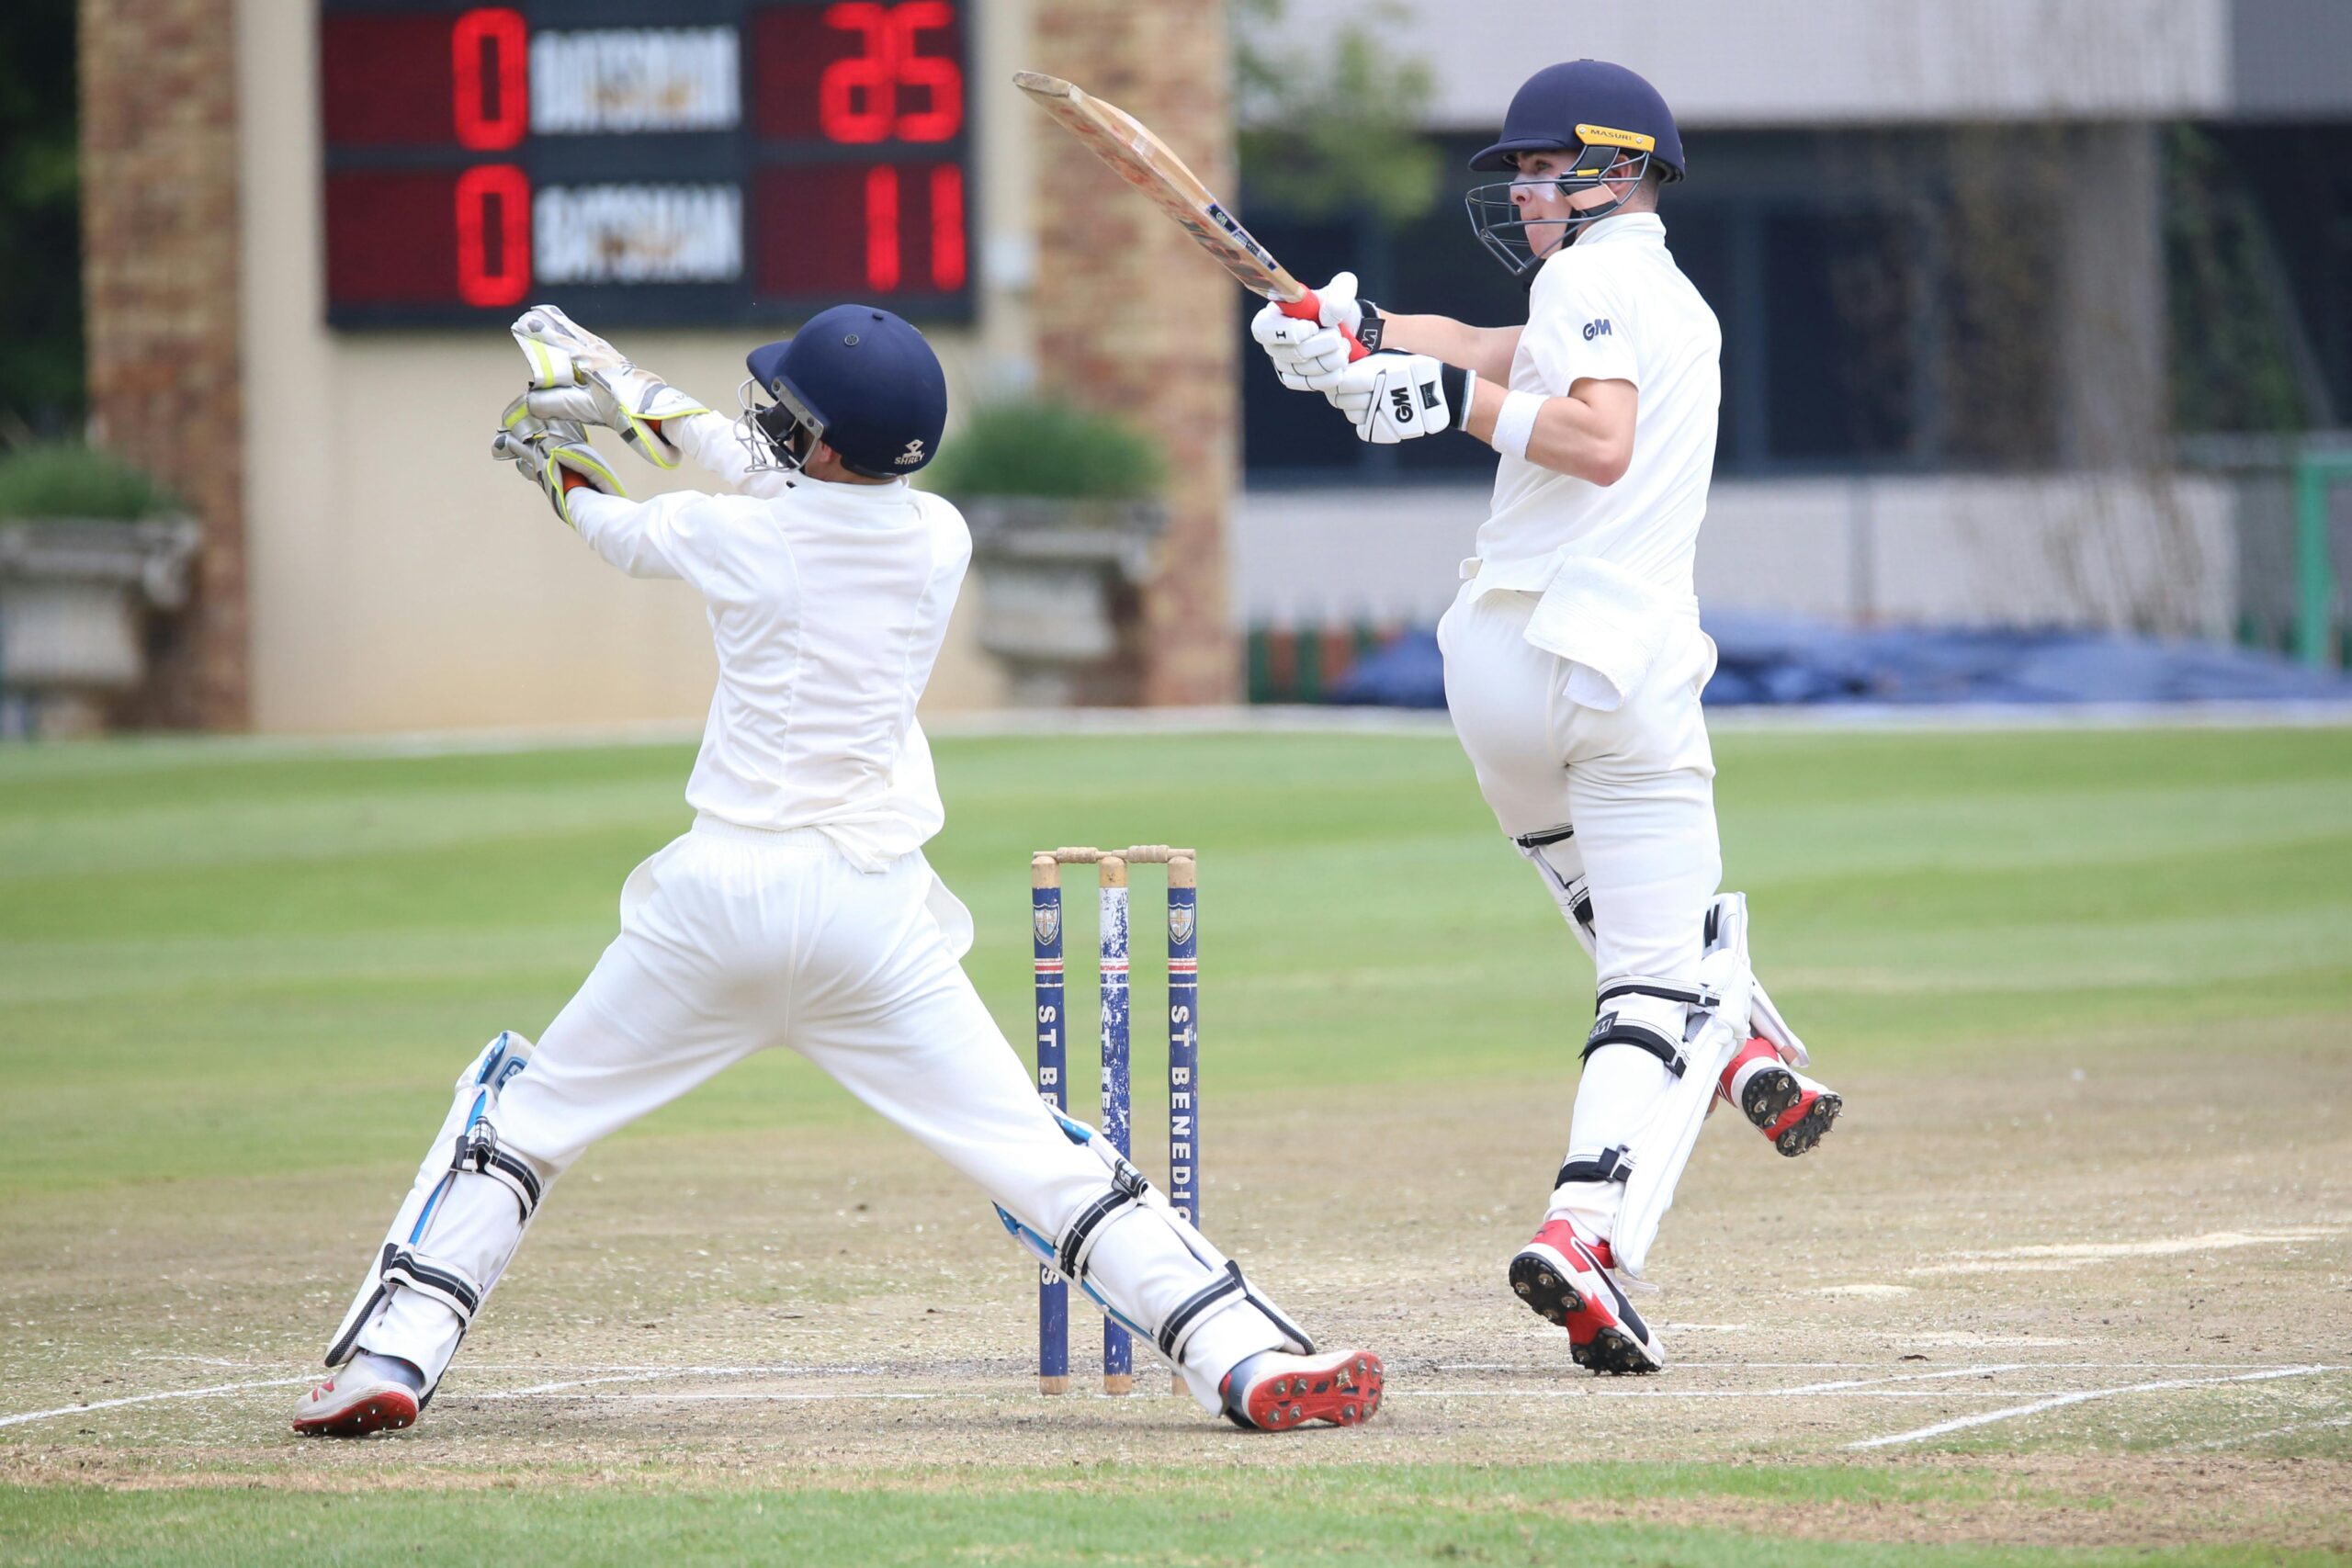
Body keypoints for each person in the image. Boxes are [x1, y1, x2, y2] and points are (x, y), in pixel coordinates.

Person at [294, 303, 1383, 1437]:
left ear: (816, 441)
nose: (762, 420)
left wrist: (552, 453)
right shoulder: (936, 536)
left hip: (718, 904)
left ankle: (391, 1355)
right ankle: (1242, 1353)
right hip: (870, 913)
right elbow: (764, 466)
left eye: (784, 410)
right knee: (1037, 1155)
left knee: (521, 1123)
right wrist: (624, 381)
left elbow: (622, 531)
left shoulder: (737, 536)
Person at [1249, 60, 1839, 1375]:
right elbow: (1550, 400)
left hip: (1494, 671)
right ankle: (1587, 1231)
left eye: (1538, 166)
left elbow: (1571, 420)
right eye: (1513, 169)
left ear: (1618, 168)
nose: (1519, 189)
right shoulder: (1658, 296)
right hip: (1611, 667)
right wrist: (1357, 329)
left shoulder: (1590, 286)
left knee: (1639, 934)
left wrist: (1439, 389)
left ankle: (1750, 1055)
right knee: (1651, 972)